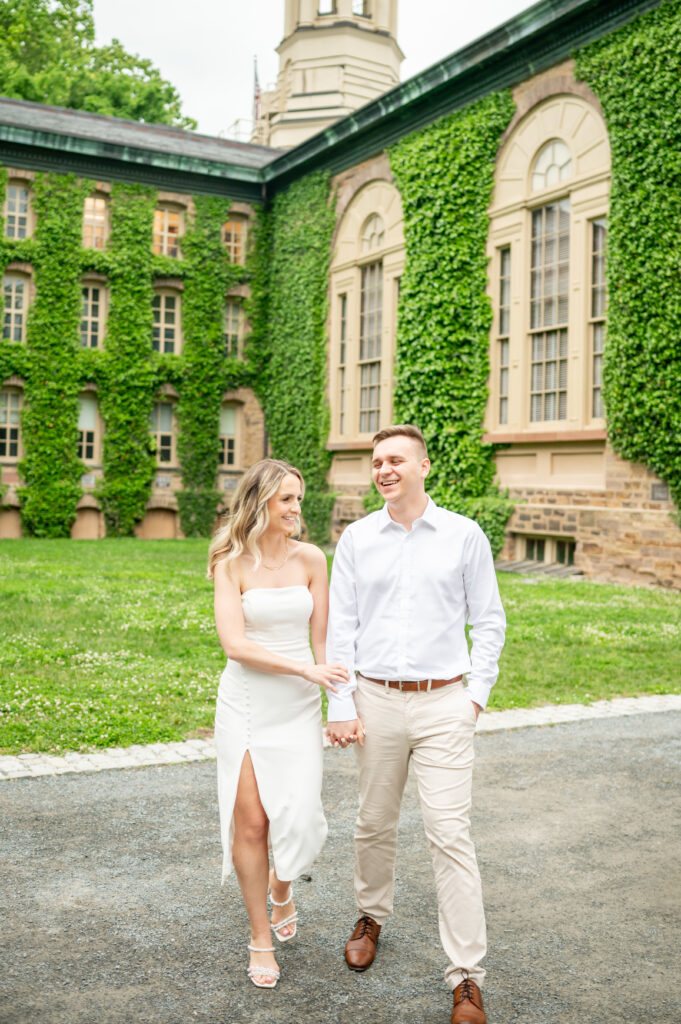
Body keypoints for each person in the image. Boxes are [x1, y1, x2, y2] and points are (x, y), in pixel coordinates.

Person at [326, 425, 506, 1024]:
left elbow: (490, 621)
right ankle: (371, 914)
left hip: (444, 704)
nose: (384, 469)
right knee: (373, 821)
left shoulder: (463, 536)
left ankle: (466, 978)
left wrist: (472, 699)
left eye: (396, 459)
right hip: (374, 701)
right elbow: (341, 629)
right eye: (377, 461)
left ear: (424, 466)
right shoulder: (356, 538)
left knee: (450, 835)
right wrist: (343, 704)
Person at [208, 458, 349, 989]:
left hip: (298, 706)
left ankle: (283, 883)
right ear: (261, 500)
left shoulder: (312, 558)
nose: (296, 509)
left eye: (298, 499)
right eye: (287, 499)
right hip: (246, 703)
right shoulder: (231, 563)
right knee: (251, 823)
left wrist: (336, 695)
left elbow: (323, 640)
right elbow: (236, 645)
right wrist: (304, 669)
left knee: (302, 815)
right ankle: (259, 936)